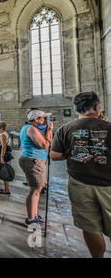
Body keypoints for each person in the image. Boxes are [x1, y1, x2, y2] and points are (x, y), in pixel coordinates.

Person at [50, 91, 111, 258]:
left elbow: (54, 155)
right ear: (98, 107)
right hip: (108, 184)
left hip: (79, 182)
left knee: (90, 226)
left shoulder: (66, 129)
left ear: (76, 109)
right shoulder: (109, 128)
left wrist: (74, 153)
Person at [19, 109, 53, 225]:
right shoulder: (31, 129)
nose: (44, 120)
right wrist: (49, 130)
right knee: (34, 190)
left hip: (37, 161)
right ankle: (30, 218)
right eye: (43, 118)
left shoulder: (34, 129)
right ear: (36, 119)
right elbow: (45, 145)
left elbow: (48, 142)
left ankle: (34, 214)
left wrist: (49, 131)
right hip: (33, 161)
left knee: (37, 189)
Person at [0, 121, 12, 195]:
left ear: (0, 128)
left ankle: (7, 190)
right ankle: (6, 188)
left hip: (3, 156)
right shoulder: (3, 134)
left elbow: (4, 146)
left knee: (4, 172)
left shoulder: (3, 135)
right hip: (3, 155)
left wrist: (2, 157)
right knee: (3, 172)